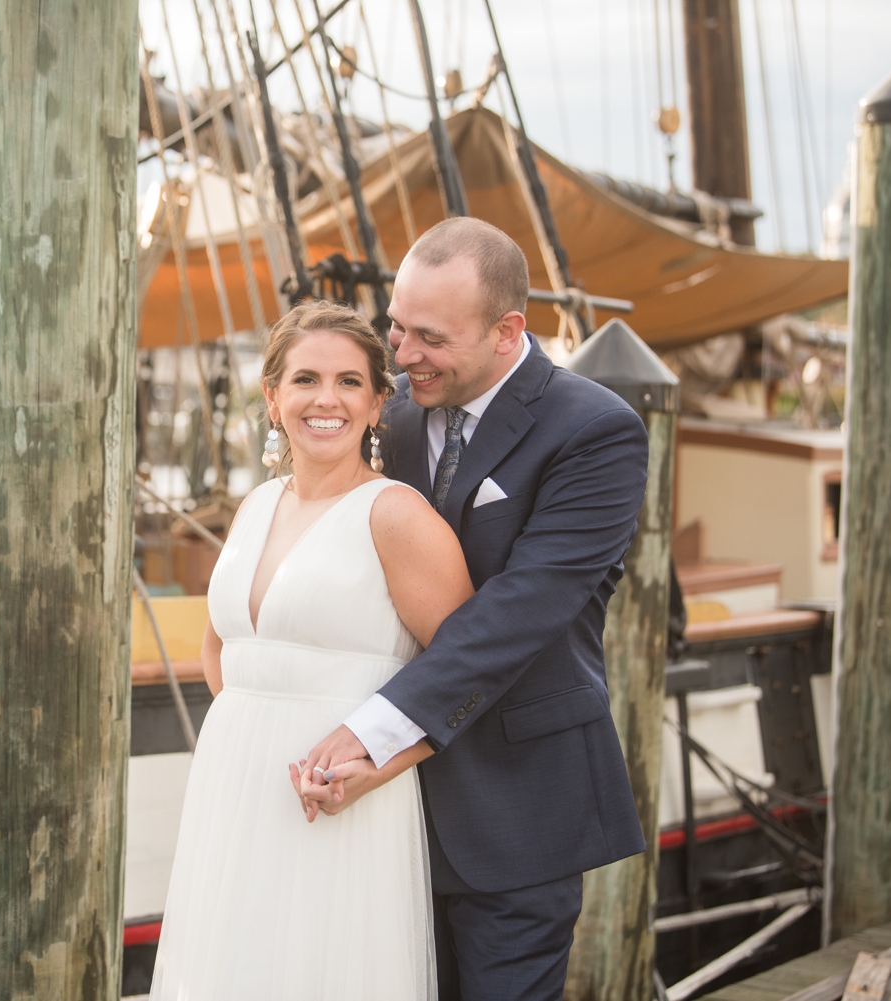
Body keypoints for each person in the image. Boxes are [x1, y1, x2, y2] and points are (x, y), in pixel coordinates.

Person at [297, 217, 651, 1000]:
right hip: (384, 821)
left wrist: (369, 733)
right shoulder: (389, 418)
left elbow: (519, 613)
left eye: (430, 336)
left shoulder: (595, 431)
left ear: (506, 331)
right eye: (395, 326)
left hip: (517, 808)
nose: (402, 353)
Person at [149, 300, 474, 999]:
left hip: (343, 799)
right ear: (272, 397)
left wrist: (372, 762)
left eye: (350, 381)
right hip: (235, 791)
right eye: (305, 379)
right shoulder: (255, 506)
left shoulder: (396, 514)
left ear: (378, 402)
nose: (326, 399)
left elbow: (466, 677)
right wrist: (252, 733)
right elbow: (224, 649)